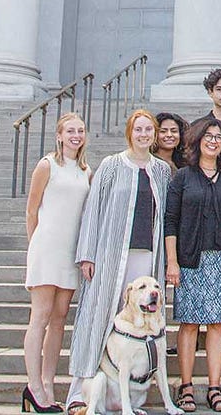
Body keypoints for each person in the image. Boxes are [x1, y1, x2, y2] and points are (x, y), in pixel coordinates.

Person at [65, 108, 171, 415]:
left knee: (143, 320)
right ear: (129, 132)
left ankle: (128, 394)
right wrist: (87, 254)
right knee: (99, 317)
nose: (143, 135)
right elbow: (93, 208)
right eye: (138, 130)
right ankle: (80, 392)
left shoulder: (161, 170)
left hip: (147, 257)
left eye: (148, 130)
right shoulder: (112, 165)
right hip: (112, 256)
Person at [166, 119, 221, 414]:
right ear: (198, 140)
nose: (213, 141)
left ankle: (215, 387)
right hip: (190, 260)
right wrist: (172, 261)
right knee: (189, 323)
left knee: (217, 324)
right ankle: (186, 385)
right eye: (208, 136)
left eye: (218, 137)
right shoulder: (183, 177)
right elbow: (170, 221)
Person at [22, 113, 92, 413]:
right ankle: (33, 386)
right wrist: (35, 244)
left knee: (60, 318)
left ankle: (49, 384)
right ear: (59, 135)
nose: (76, 135)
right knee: (40, 315)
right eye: (70, 131)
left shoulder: (87, 170)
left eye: (80, 131)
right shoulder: (47, 165)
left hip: (71, 250)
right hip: (47, 246)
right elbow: (31, 209)